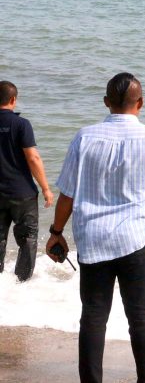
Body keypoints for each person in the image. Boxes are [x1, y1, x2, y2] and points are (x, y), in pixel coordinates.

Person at [46, 73, 145, 383]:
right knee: (142, 319)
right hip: (136, 240)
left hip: (93, 241)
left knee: (93, 318)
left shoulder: (84, 137)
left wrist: (56, 232)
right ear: (140, 103)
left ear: (106, 102)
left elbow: (67, 195)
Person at [0, 81, 54, 281]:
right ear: (13, 99)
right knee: (27, 239)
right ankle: (22, 284)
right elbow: (33, 158)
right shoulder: (21, 124)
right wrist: (46, 188)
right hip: (22, 193)